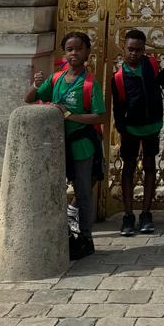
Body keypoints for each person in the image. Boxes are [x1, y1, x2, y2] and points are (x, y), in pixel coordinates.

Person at [26, 31, 105, 261]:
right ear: (64, 53)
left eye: (79, 49)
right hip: (56, 145)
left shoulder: (89, 83)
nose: (74, 53)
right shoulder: (56, 79)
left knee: (83, 192)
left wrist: (69, 115)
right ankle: (63, 234)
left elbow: (99, 116)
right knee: (55, 189)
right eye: (70, 49)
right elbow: (29, 99)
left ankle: (86, 239)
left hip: (81, 145)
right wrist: (35, 85)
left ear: (87, 52)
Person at [112, 28, 164, 237]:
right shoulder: (119, 77)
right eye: (130, 49)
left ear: (144, 49)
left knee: (150, 166)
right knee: (128, 168)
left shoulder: (152, 65)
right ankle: (128, 214)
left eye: (138, 50)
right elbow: (118, 106)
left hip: (152, 126)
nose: (134, 53)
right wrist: (122, 127)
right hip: (131, 128)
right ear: (123, 49)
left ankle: (146, 213)